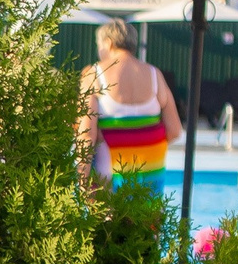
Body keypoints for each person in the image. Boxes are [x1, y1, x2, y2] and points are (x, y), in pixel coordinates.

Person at [76, 18, 183, 185]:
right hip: (149, 175)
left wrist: (82, 179)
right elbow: (175, 130)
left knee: (107, 211)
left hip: (110, 174)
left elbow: (86, 135)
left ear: (108, 43)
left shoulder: (95, 75)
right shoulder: (155, 74)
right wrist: (141, 142)